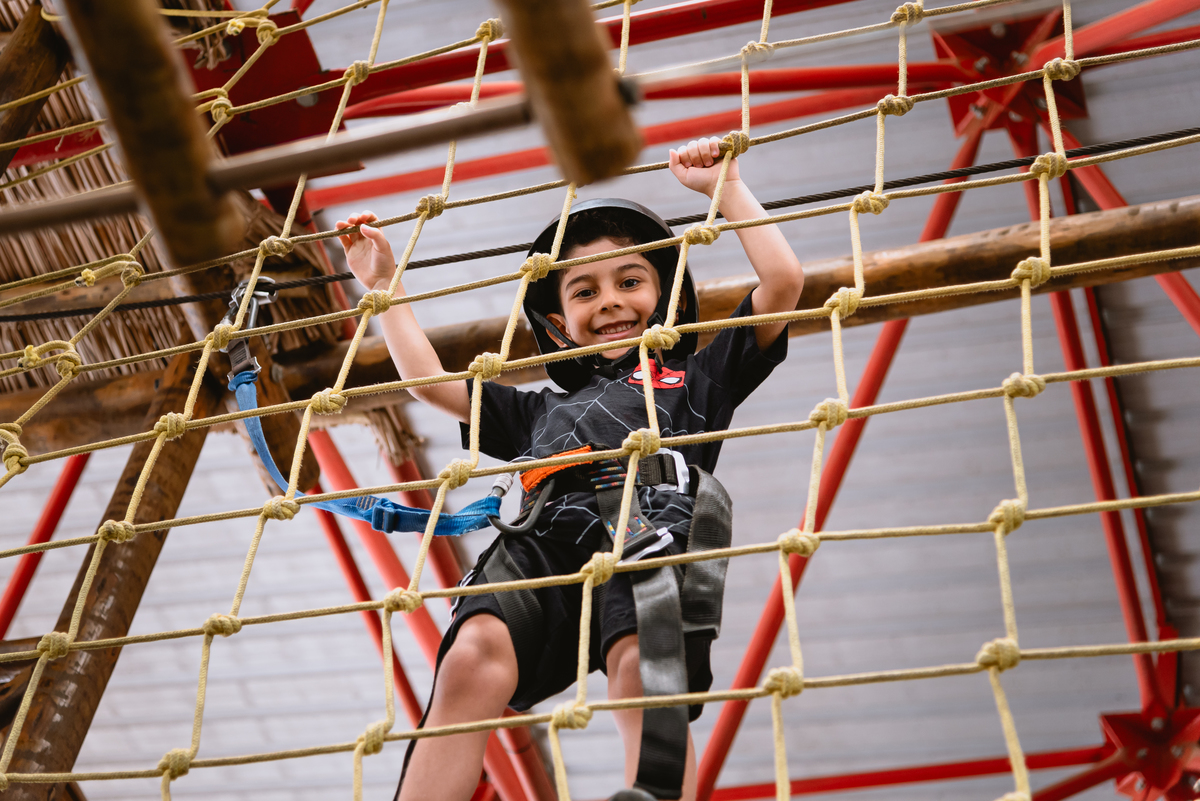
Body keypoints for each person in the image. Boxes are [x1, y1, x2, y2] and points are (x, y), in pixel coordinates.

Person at [338, 137, 804, 801]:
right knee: (470, 659)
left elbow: (783, 282)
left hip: (645, 525)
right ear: (558, 326)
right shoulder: (540, 412)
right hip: (543, 536)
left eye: (630, 281)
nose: (610, 299)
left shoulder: (696, 377)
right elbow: (430, 385)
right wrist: (386, 289)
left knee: (642, 668)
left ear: (663, 296)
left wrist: (724, 188)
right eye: (586, 291)